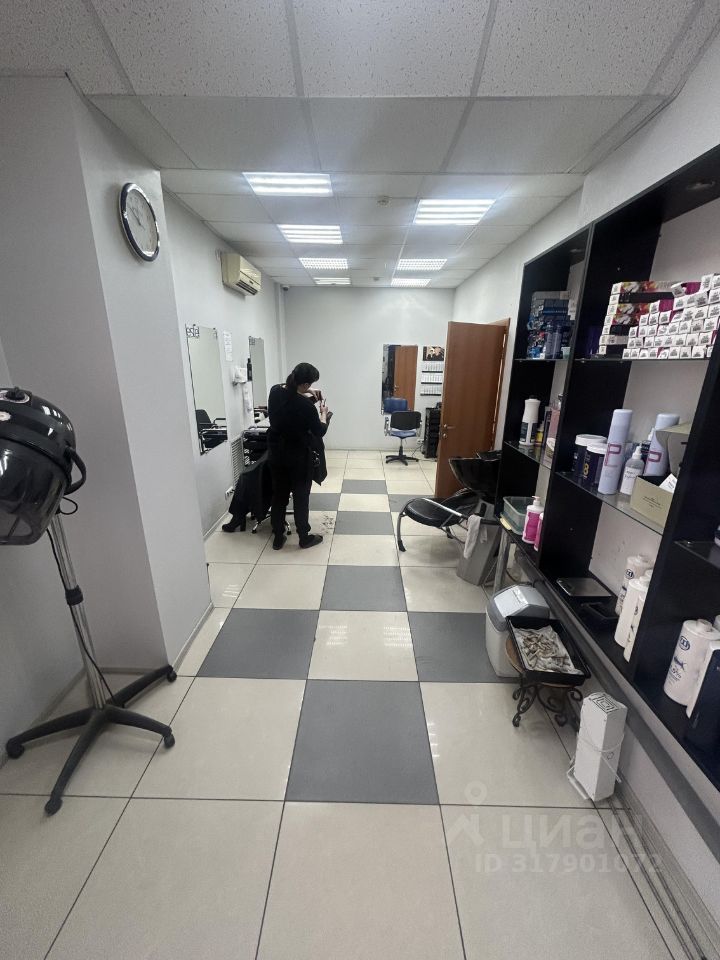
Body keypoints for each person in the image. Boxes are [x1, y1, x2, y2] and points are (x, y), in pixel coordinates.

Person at [267, 362, 330, 550]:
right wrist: (323, 414)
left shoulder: (274, 392)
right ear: (305, 384)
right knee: (301, 496)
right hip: (298, 457)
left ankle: (278, 536)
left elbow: (284, 389)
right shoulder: (305, 406)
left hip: (276, 454)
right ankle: (304, 537)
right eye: (310, 384)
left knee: (279, 495)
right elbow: (319, 431)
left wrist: (306, 390)